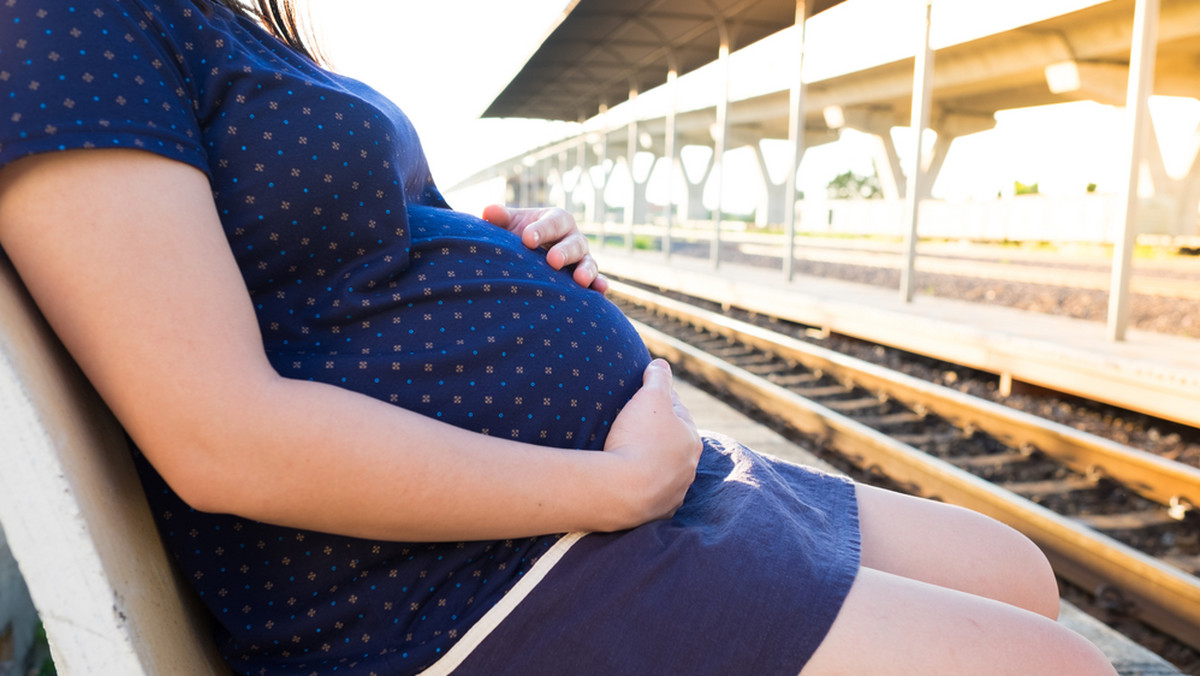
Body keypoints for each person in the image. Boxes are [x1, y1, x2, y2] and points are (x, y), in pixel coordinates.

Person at [0, 1, 1117, 674]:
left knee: (1012, 571)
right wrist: (612, 489)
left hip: (580, 500)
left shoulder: (228, 18)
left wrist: (505, 246)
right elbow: (218, 435)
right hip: (451, 585)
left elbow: (335, 258)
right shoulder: (61, 19)